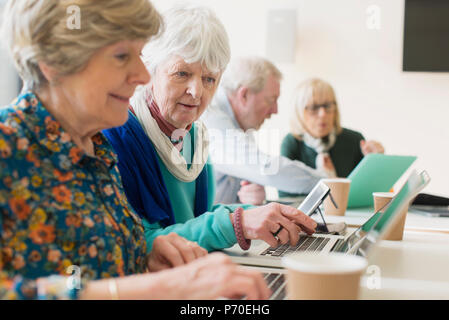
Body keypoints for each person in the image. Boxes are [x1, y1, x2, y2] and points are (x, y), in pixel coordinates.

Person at [0, 0, 270, 300]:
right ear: (53, 61)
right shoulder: (7, 146)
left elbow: (98, 262)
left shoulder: (96, 149)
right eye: (120, 56)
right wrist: (154, 287)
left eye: (139, 55)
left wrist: (147, 252)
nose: (143, 75)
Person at [103, 6, 317, 255]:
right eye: (182, 73)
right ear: (149, 71)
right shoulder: (118, 136)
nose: (197, 92)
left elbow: (197, 220)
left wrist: (260, 215)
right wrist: (237, 223)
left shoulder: (195, 135)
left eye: (209, 79)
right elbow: (141, 245)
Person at [201, 56, 329, 206]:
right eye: (271, 100)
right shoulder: (211, 118)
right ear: (244, 95)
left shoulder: (241, 127)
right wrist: (328, 182)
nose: (275, 110)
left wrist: (252, 198)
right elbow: (268, 169)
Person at [279, 78, 384, 197]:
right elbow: (285, 195)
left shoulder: (354, 140)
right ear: (298, 112)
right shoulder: (292, 143)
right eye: (314, 107)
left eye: (328, 106)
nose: (323, 114)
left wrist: (376, 162)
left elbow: (369, 192)